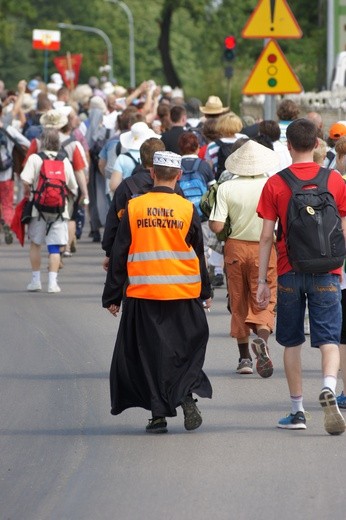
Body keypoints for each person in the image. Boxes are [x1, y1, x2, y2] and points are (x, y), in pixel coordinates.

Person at [102, 150, 213, 434]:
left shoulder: (135, 207)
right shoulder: (187, 209)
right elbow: (199, 253)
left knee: (148, 355)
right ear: (178, 176)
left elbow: (119, 252)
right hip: (183, 293)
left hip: (144, 292)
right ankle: (186, 394)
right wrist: (205, 291)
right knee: (184, 349)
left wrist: (112, 296)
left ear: (152, 174)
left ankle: (158, 415)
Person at [256, 118, 346, 434]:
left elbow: (266, 237)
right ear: (318, 143)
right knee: (329, 339)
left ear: (288, 146)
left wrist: (261, 282)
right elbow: (343, 228)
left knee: (292, 341)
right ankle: (329, 386)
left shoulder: (275, 184)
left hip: (288, 270)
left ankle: (297, 411)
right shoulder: (334, 181)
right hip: (328, 271)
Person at [209, 140, 279, 376]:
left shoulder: (227, 187)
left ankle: (245, 359)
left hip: (235, 249)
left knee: (238, 300)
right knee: (264, 297)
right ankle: (262, 340)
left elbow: (217, 226)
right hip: (265, 247)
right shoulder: (272, 184)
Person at [20, 127, 78, 293]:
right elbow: (72, 185)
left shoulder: (35, 159)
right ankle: (53, 283)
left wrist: (30, 191)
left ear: (41, 141)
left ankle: (35, 280)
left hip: (38, 210)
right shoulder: (64, 160)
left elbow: (25, 179)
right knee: (54, 247)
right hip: (60, 210)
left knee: (36, 244)